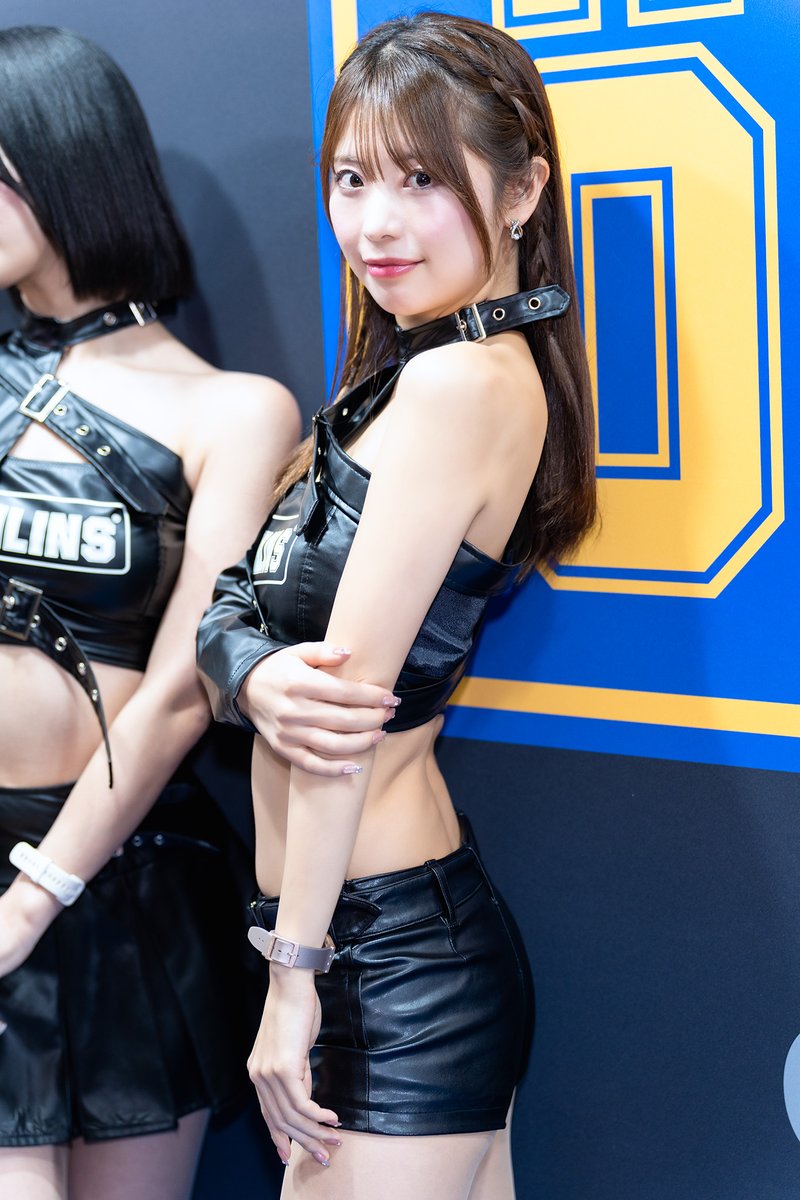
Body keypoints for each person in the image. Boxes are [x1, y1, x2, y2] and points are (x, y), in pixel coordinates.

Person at [197, 12, 597, 1200]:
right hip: (375, 940)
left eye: (420, 179)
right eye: (350, 179)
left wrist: (293, 980)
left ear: (521, 190)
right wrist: (250, 666)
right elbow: (234, 609)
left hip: (378, 963)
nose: (373, 223)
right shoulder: (404, 377)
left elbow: (347, 713)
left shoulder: (456, 386)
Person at [0, 25, 304, 1200]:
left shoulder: (233, 412)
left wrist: (38, 893)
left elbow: (186, 684)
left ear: (60, 160)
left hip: (117, 876)